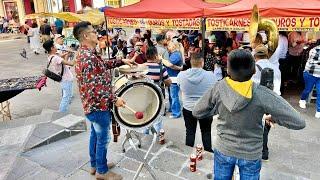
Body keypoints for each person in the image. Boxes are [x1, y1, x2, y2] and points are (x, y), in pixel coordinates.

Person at [192, 49, 305, 179]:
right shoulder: (262, 94)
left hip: (224, 149)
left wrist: (218, 108)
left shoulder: (218, 88)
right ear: (254, 70)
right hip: (251, 154)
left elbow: (197, 111)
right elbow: (299, 122)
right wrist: (274, 118)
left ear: (228, 70)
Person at [73, 21, 133, 180]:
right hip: (97, 106)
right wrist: (114, 99)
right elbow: (95, 88)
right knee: (103, 139)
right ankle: (102, 171)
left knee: (95, 135)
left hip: (92, 106)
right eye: (93, 32)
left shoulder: (86, 53)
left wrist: (121, 61)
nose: (97, 34)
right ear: (85, 36)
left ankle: (95, 165)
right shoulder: (87, 57)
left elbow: (101, 65)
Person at [177, 52, 220, 152]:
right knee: (206, 132)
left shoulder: (182, 75)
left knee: (190, 132)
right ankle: (208, 152)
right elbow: (215, 90)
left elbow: (179, 86)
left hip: (188, 108)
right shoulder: (210, 75)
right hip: (205, 108)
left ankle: (188, 153)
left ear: (191, 62)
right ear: (202, 62)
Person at [251, 45, 282, 161]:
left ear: (255, 55)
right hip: (271, 102)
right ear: (267, 55)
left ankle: (262, 151)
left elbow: (251, 88)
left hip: (257, 103)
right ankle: (263, 149)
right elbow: (278, 91)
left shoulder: (253, 68)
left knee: (256, 127)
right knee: (265, 127)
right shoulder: (276, 69)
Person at [143, 45, 172, 134]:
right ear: (155, 55)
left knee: (146, 117)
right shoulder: (161, 68)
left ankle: (146, 134)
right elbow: (168, 82)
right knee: (157, 118)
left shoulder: (141, 67)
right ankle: (159, 136)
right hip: (157, 97)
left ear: (146, 55)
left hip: (144, 96)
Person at [43, 40, 75, 112]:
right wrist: (76, 55)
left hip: (62, 79)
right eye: (54, 46)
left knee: (66, 97)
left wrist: (66, 53)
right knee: (66, 98)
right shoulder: (56, 58)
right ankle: (61, 113)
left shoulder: (50, 57)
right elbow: (70, 63)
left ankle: (63, 111)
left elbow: (60, 58)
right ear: (51, 48)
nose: (56, 47)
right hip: (66, 79)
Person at [299, 41, 320, 118]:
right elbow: (312, 61)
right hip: (310, 73)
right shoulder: (315, 50)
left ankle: (318, 111)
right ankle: (302, 99)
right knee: (308, 89)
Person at [167, 41, 183, 118]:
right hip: (172, 77)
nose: (167, 47)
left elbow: (170, 64)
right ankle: (172, 109)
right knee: (172, 95)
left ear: (173, 46)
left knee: (174, 96)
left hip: (174, 78)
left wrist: (161, 59)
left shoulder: (176, 54)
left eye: (169, 45)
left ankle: (176, 113)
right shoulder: (174, 54)